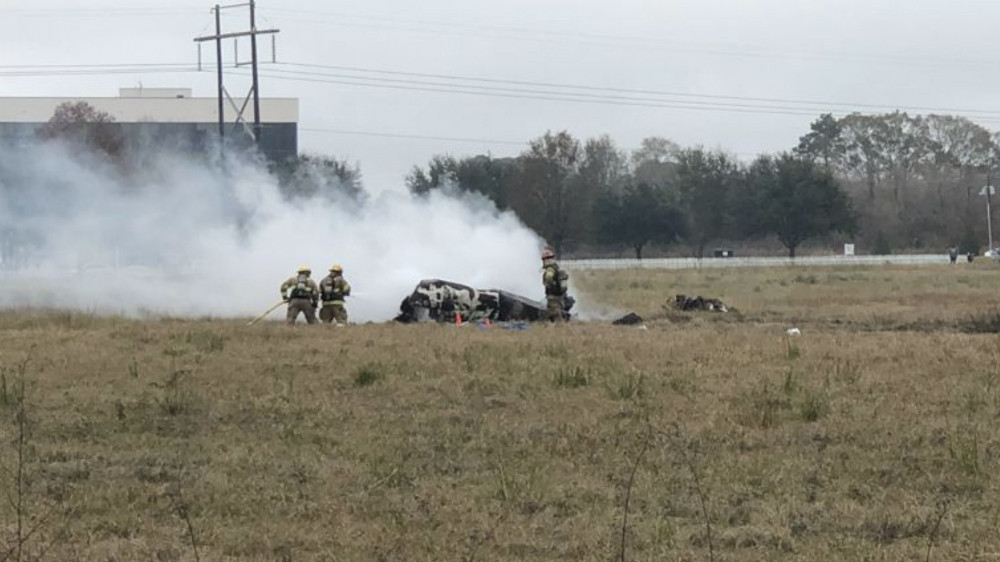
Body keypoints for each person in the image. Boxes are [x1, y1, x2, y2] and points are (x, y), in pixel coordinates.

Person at [541, 248, 569, 321]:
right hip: (559, 297)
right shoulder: (556, 268)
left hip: (553, 298)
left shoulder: (550, 269)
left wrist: (550, 284)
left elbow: (548, 277)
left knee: (555, 316)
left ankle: (560, 329)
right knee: (557, 313)